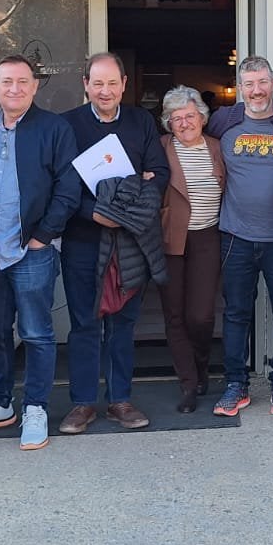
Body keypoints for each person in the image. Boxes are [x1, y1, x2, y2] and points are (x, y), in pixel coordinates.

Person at [0, 55, 80, 451]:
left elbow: (69, 186)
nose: (15, 88)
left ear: (34, 87)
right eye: (6, 81)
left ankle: (35, 407)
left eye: (23, 82)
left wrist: (44, 235)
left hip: (32, 250)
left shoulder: (53, 128)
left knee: (36, 333)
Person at [59, 52, 170, 434]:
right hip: (84, 238)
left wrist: (123, 207)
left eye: (112, 83)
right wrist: (93, 212)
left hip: (130, 243)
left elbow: (160, 175)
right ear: (85, 85)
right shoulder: (67, 126)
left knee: (124, 323)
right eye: (97, 83)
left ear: (124, 84)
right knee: (85, 323)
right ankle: (83, 403)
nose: (105, 91)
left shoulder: (141, 122)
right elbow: (63, 184)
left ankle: (120, 399)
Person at [206, 55, 273, 417]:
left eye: (263, 82)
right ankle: (235, 384)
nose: (256, 90)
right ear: (240, 88)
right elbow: (193, 145)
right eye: (249, 84)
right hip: (235, 235)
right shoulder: (223, 120)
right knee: (236, 312)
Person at [158, 86, 226, 413]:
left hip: (207, 236)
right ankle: (188, 383)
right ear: (168, 123)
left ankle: (201, 362)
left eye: (189, 116)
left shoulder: (218, 148)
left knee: (201, 315)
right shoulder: (159, 149)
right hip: (170, 239)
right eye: (176, 118)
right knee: (175, 315)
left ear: (202, 117)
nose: (184, 123)